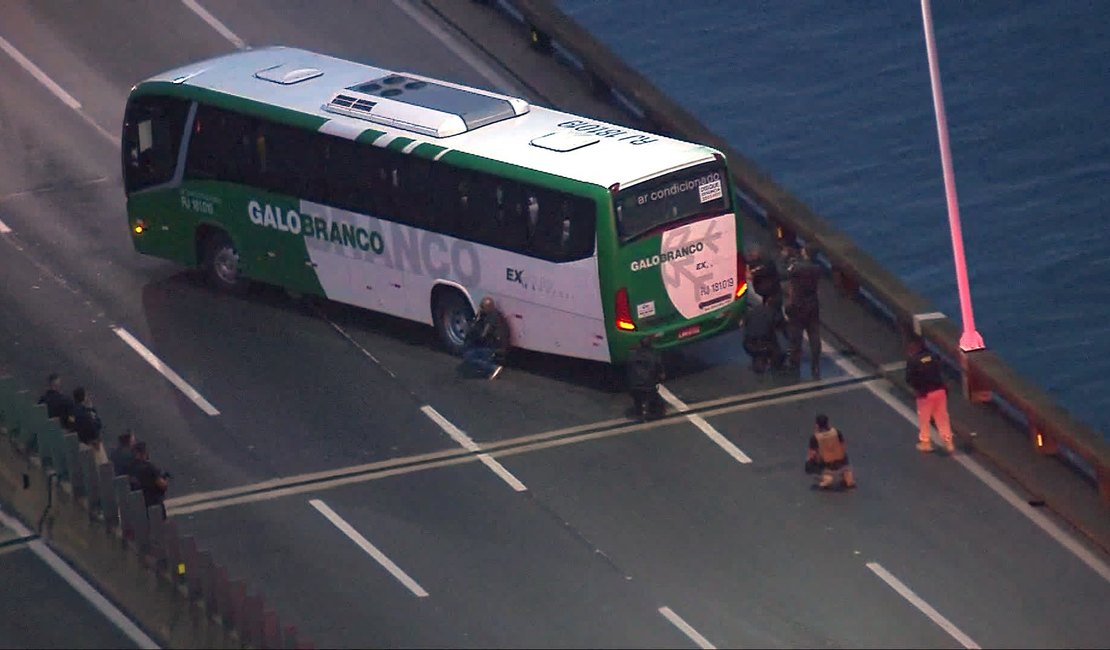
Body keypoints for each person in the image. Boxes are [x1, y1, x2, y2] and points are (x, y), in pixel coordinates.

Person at [905, 336, 955, 454]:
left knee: (924, 418)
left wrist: (916, 388)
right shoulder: (933, 356)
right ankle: (948, 442)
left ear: (913, 348)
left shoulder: (913, 361)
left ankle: (925, 442)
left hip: (925, 394)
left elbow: (909, 378)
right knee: (941, 416)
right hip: (940, 390)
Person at [783, 243, 823, 379]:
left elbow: (786, 272)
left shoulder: (797, 267)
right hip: (812, 304)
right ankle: (816, 362)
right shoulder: (817, 268)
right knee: (814, 334)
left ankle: (794, 362)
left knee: (796, 334)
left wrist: (790, 259)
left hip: (798, 305)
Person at [463, 296, 511, 380]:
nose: (480, 308)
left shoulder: (491, 319)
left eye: (482, 307)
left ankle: (492, 368)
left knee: (469, 356)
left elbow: (483, 335)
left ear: (488, 307)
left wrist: (477, 319)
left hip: (496, 347)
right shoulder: (496, 314)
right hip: (499, 345)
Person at [806, 413, 856, 490]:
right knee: (844, 455)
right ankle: (847, 474)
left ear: (817, 425)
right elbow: (843, 447)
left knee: (808, 464)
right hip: (840, 462)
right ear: (828, 423)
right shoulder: (837, 432)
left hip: (826, 465)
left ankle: (826, 477)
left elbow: (811, 454)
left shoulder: (815, 438)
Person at [626, 336, 666, 421]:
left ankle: (639, 413)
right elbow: (661, 374)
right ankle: (652, 412)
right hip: (648, 386)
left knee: (637, 399)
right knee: (657, 400)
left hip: (634, 387)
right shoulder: (653, 356)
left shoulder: (632, 356)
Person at [741, 300, 784, 373]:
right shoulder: (772, 312)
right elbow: (779, 324)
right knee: (777, 351)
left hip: (750, 343)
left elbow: (743, 324)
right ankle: (777, 367)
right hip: (764, 342)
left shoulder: (751, 312)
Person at [128, 441, 169, 519]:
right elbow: (162, 485)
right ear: (144, 453)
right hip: (154, 503)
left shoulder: (130, 468)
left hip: (137, 506)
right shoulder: (149, 468)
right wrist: (165, 480)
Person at [71, 387, 109, 466]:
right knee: (101, 465)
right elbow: (96, 424)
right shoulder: (86, 412)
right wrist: (91, 409)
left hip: (77, 441)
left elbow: (71, 423)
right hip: (91, 443)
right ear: (84, 397)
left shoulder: (72, 411)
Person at [746, 244, 784, 314]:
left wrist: (752, 273)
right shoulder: (750, 264)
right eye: (750, 253)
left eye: (753, 252)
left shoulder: (767, 262)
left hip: (771, 292)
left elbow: (757, 272)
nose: (752, 254)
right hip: (760, 293)